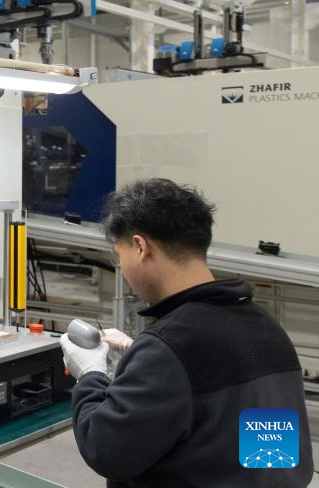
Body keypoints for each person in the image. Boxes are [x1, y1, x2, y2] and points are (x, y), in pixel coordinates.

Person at [59, 178, 314, 487]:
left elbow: (105, 448)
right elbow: (273, 452)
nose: (122, 268)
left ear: (140, 247)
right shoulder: (265, 327)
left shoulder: (171, 345)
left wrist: (90, 374)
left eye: (120, 255)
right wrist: (142, 362)